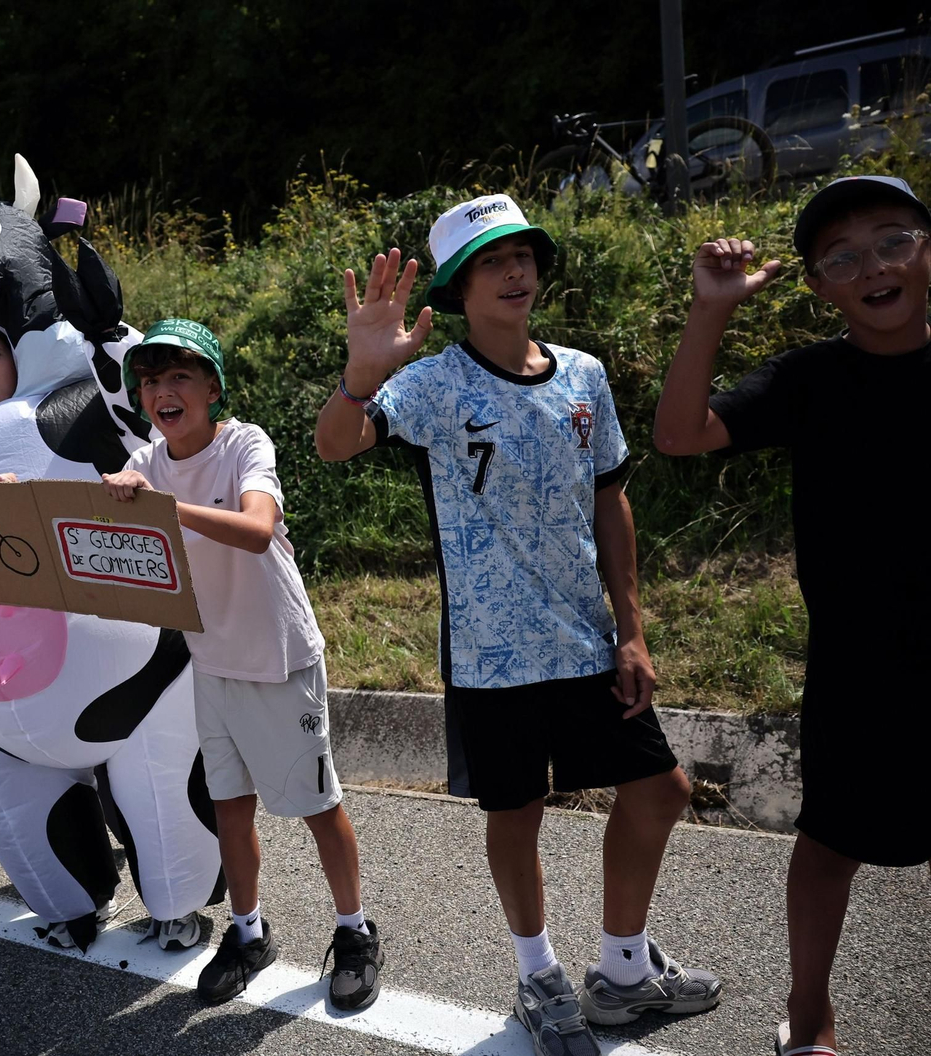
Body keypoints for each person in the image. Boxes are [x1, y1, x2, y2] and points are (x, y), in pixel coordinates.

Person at [314, 194, 719, 1053]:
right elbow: (335, 445)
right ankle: (538, 972)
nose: (516, 271)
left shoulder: (584, 376)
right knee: (519, 809)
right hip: (492, 656)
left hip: (583, 640)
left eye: (524, 255)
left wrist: (632, 628)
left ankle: (620, 970)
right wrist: (361, 373)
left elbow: (612, 502)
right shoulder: (430, 383)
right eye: (493, 262)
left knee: (661, 792)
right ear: (459, 288)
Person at [653, 175, 931, 1056]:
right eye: (841, 256)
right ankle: (810, 1014)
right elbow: (679, 433)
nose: (873, 266)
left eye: (893, 240)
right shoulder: (811, 379)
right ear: (817, 284)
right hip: (859, 662)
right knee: (829, 844)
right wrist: (712, 310)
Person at [101, 319, 381, 1009]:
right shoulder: (146, 460)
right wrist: (31, 485)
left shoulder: (243, 443)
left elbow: (258, 530)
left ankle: (355, 931)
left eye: (180, 377)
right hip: (212, 660)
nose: (163, 392)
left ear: (212, 388)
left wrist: (166, 507)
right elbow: (90, 508)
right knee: (231, 808)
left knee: (318, 805)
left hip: (279, 657)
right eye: (150, 380)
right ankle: (249, 932)